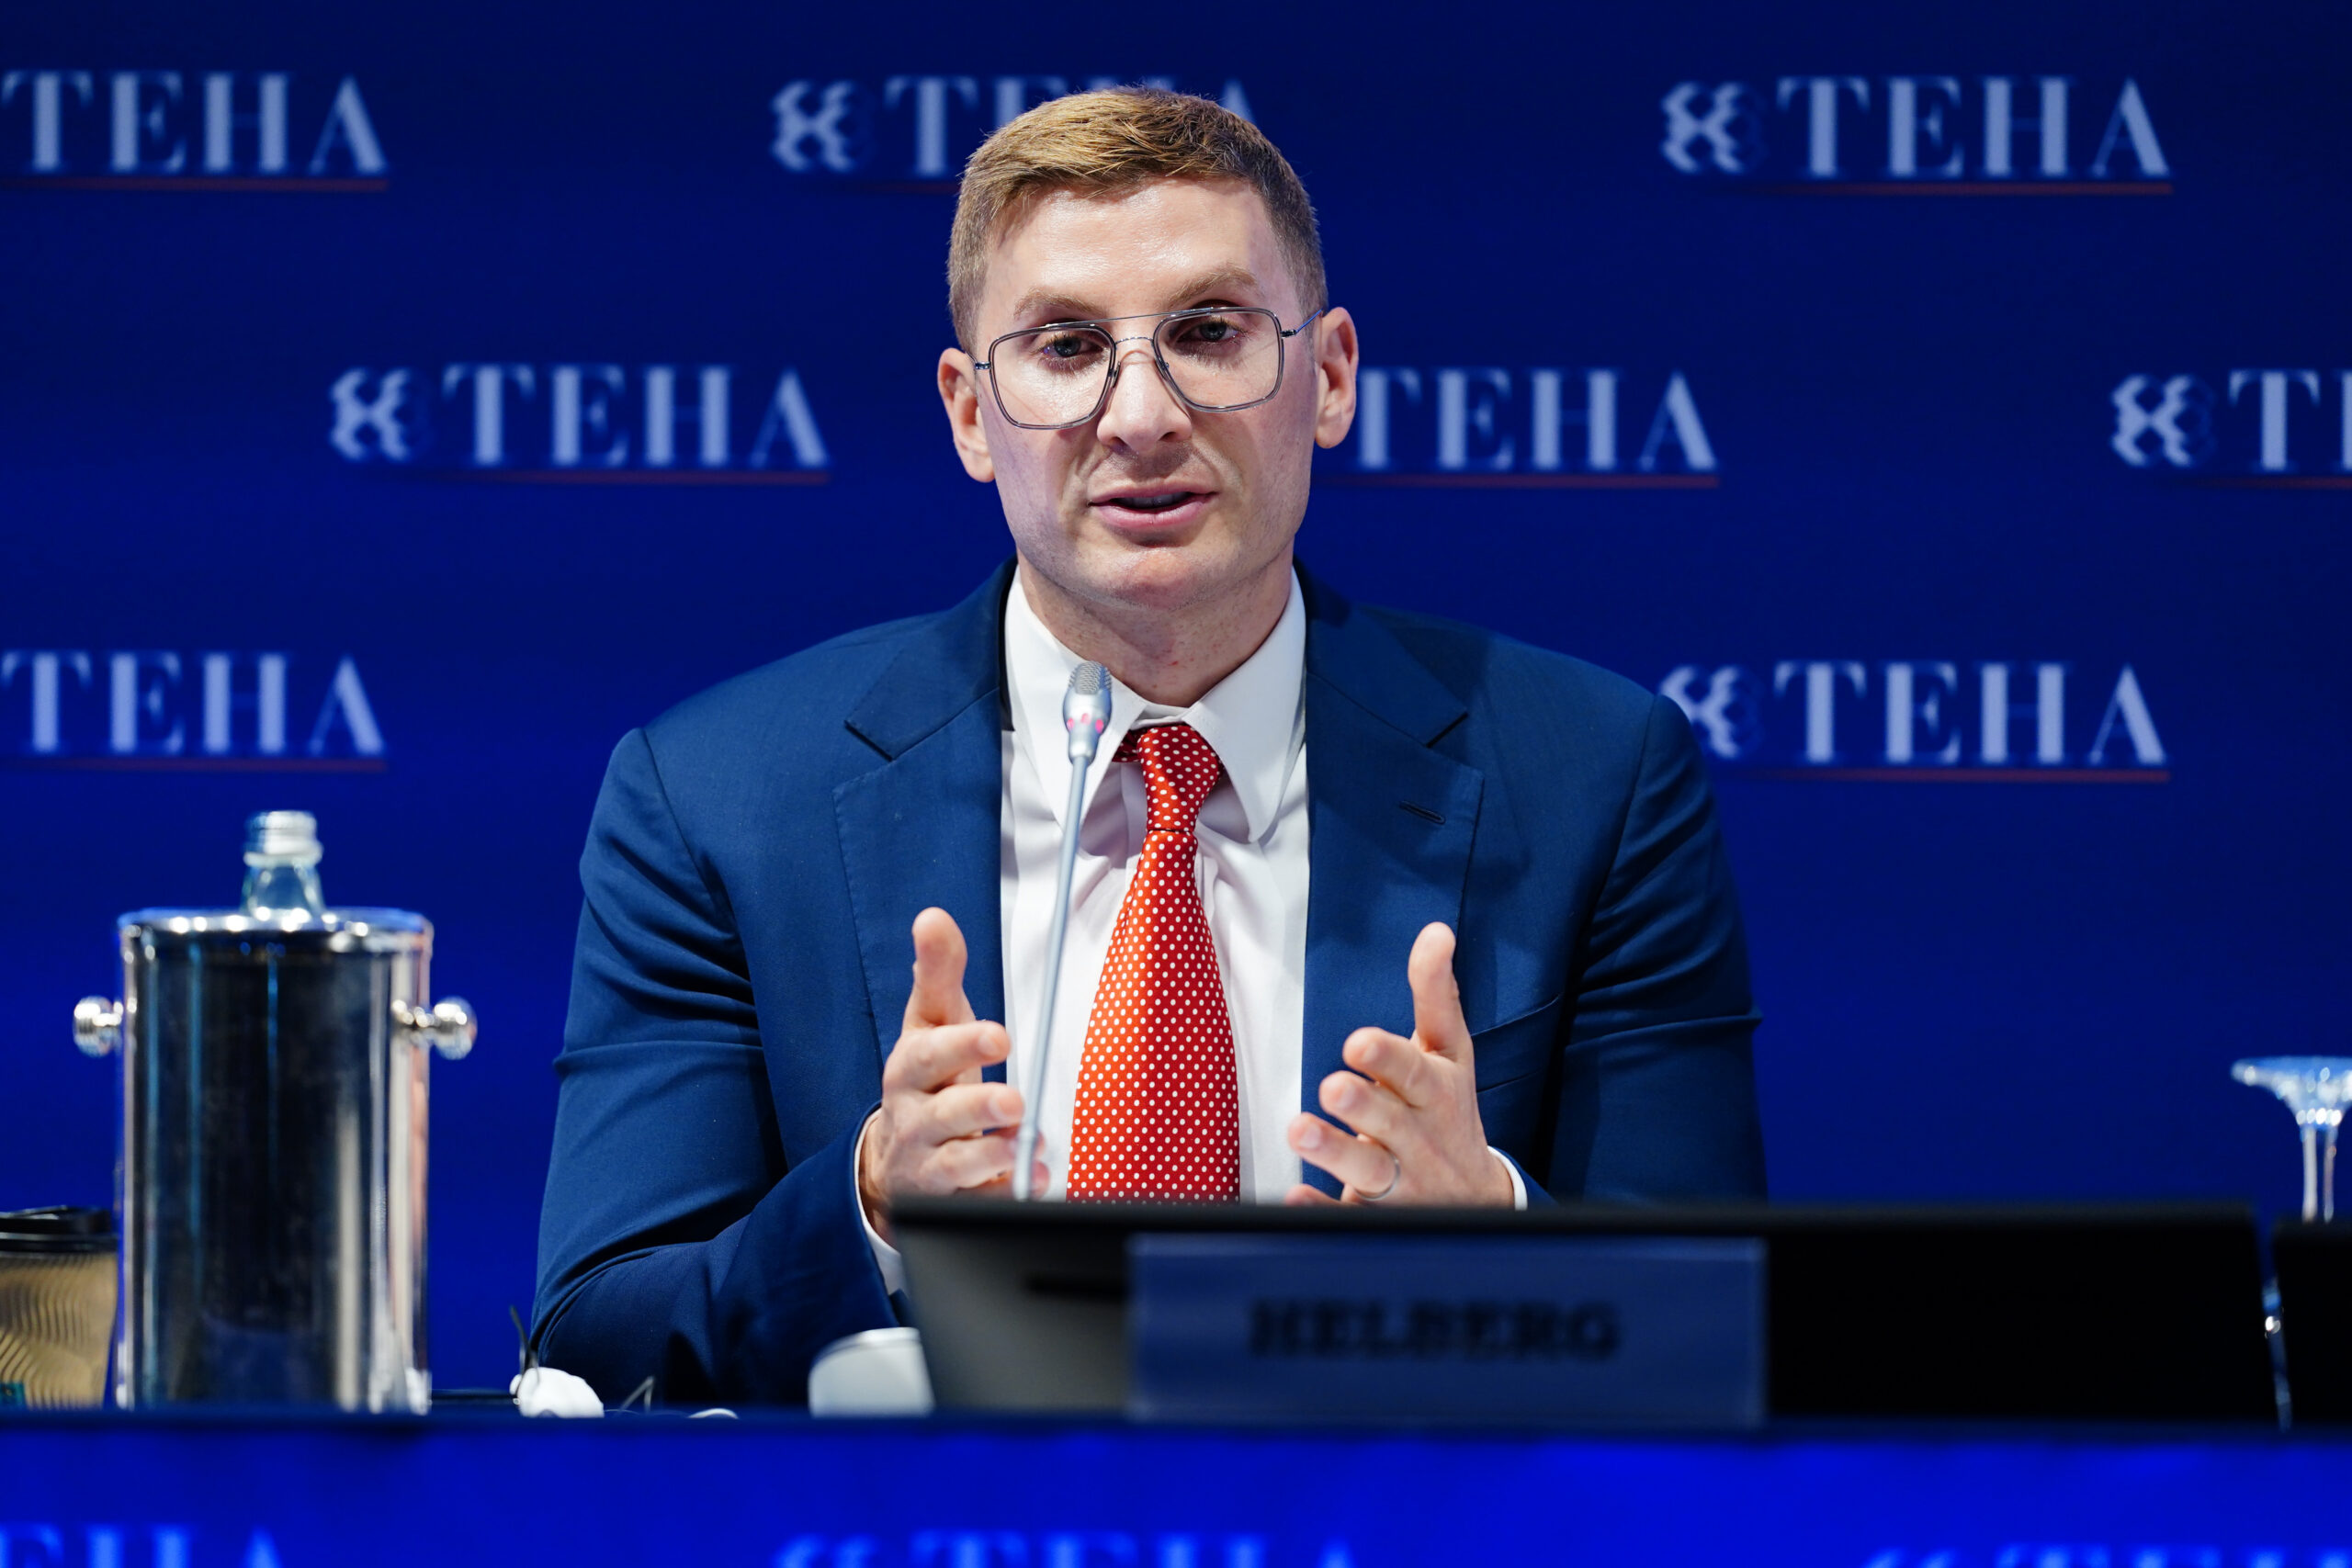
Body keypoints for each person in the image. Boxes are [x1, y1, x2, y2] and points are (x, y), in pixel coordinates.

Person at [532, 87, 1766, 1405]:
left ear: (1330, 375)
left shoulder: (1594, 777)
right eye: (1067, 346)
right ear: (969, 411)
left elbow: (1727, 1341)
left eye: (1208, 332)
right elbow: (595, 1343)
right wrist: (872, 1202)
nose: (1140, 416)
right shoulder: (715, 799)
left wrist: (1498, 1230)